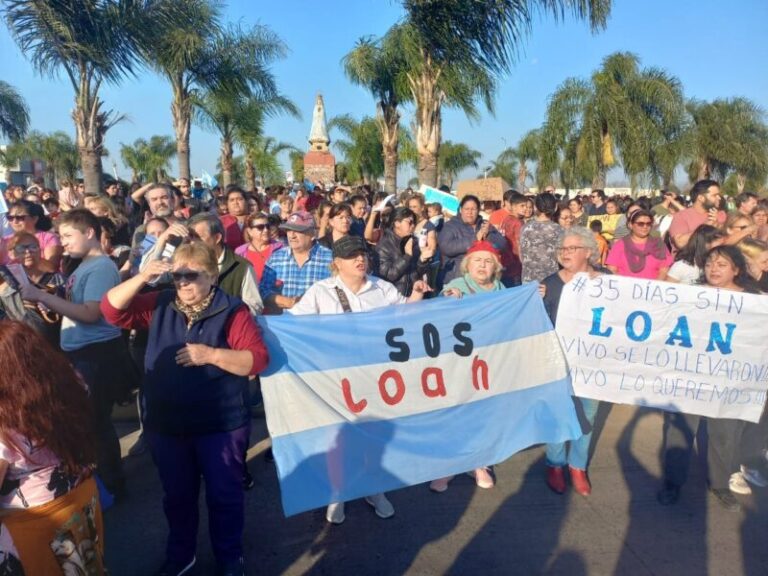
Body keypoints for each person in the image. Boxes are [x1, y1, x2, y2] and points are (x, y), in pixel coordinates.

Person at [101, 241, 269, 576]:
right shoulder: (161, 302)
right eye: (177, 275)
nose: (183, 282)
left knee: (224, 496)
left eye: (191, 275)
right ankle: (182, 555)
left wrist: (210, 355)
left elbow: (258, 360)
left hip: (220, 424)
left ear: (212, 275)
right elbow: (112, 311)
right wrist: (143, 277)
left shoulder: (233, 310)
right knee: (177, 497)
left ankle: (229, 556)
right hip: (166, 425)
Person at [290, 235, 429, 524]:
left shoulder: (382, 288)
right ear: (336, 263)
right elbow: (293, 324)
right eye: (351, 255)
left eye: (363, 253)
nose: (360, 259)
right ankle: (339, 491)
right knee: (339, 437)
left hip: (376, 376)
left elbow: (404, 314)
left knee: (375, 436)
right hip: (335, 378)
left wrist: (416, 295)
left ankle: (373, 489)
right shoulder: (320, 291)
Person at [20, 209, 137, 501]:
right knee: (89, 421)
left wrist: (43, 297)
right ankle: (105, 482)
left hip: (95, 355)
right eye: (61, 236)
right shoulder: (85, 264)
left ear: (89, 233)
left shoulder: (99, 267)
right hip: (83, 353)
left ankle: (112, 486)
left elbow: (90, 313)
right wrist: (54, 302)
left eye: (68, 236)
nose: (64, 242)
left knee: (96, 421)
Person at [0, 321, 106, 575]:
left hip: (36, 523)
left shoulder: (6, 420)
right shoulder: (70, 380)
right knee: (87, 566)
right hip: (81, 498)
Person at [657, 245, 758, 511]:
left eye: (722, 264)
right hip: (690, 376)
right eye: (711, 263)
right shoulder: (691, 294)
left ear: (736, 269)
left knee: (726, 433)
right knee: (679, 430)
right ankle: (672, 482)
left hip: (731, 380)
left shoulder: (755, 301)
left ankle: (720, 484)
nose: (714, 269)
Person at [429, 240, 506, 493]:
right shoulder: (458, 285)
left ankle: (478, 463)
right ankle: (449, 465)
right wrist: (447, 298)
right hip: (460, 364)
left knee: (483, 413)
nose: (483, 266)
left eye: (488, 261)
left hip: (490, 362)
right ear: (467, 265)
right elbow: (443, 299)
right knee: (456, 413)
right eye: (478, 261)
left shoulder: (502, 289)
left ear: (496, 267)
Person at [540, 227, 604, 496]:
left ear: (588, 252)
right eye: (561, 249)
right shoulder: (549, 284)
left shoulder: (608, 281)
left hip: (593, 363)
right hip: (557, 362)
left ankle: (577, 465)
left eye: (571, 249)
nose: (564, 254)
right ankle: (554, 464)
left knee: (586, 416)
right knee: (557, 413)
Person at [260, 211, 333, 312]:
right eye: (289, 230)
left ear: (312, 234)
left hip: (317, 323)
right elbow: (263, 291)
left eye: (298, 230)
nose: (292, 235)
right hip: (283, 324)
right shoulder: (276, 259)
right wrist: (288, 302)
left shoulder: (330, 259)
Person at [5, 231, 66, 346]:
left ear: (40, 250)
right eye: (21, 248)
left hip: (57, 339)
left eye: (33, 247)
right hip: (23, 342)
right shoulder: (9, 284)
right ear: (12, 254)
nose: (28, 252)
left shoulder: (57, 279)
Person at [438, 195, 506, 285]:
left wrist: (488, 235)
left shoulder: (485, 224)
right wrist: (475, 239)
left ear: (478, 211)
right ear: (461, 210)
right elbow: (446, 247)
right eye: (467, 209)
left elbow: (502, 245)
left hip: (483, 278)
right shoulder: (450, 226)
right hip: (457, 278)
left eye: (473, 209)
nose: (470, 212)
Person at [375, 207, 434, 297]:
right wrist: (407, 256)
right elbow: (388, 275)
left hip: (414, 296)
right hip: (394, 298)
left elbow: (418, 273)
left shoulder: (414, 242)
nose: (413, 225)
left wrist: (422, 260)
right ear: (397, 223)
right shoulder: (384, 246)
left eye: (414, 222)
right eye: (409, 222)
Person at [605, 210, 672, 280]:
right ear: (630, 225)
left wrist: (653, 287)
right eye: (640, 224)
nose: (645, 226)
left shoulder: (659, 245)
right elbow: (612, 270)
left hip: (653, 288)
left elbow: (664, 271)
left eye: (648, 224)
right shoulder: (620, 245)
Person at [668, 179, 726, 249]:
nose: (719, 198)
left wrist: (719, 225)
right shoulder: (681, 216)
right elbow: (680, 243)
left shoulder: (719, 215)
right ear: (701, 198)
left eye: (718, 195)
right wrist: (706, 226)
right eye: (714, 195)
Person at [5, 200, 62, 271]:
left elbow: (52, 269)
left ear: (34, 219)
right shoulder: (5, 241)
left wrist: (30, 255)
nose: (14, 221)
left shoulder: (49, 238)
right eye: (10, 217)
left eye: (20, 217)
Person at [519, 192, 561, 283]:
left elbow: (521, 256)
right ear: (555, 207)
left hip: (528, 281)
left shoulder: (525, 228)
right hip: (551, 281)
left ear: (535, 207)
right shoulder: (558, 230)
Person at [235, 213, 283, 283]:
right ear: (250, 231)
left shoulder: (280, 248)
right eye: (260, 227)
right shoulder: (240, 252)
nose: (266, 230)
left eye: (267, 226)